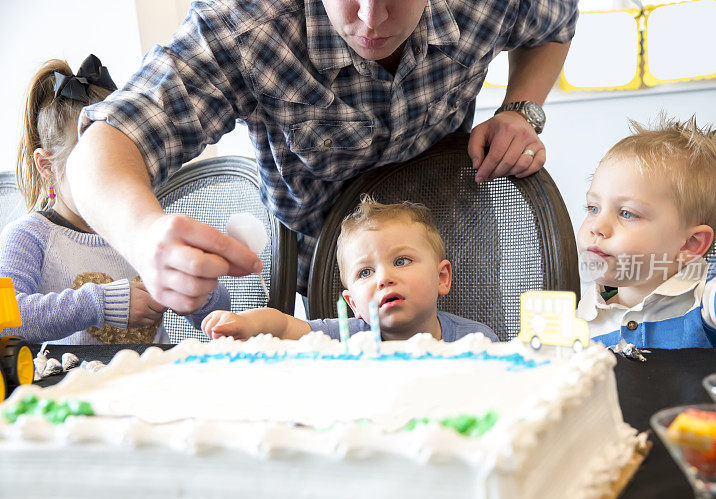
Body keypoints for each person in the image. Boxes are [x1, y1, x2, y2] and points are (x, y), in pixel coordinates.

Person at [65, 0, 579, 315]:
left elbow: (556, 20)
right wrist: (141, 234)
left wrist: (521, 108)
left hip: (458, 241)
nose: (371, 18)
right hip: (331, 275)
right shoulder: (248, 24)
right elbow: (103, 146)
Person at [0, 55, 229, 344]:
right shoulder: (30, 236)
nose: (110, 176)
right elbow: (7, 320)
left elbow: (219, 315)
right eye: (93, 165)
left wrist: (197, 288)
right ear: (47, 166)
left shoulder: (144, 227)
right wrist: (100, 303)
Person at [575, 116, 716, 349]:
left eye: (627, 213)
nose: (597, 227)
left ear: (689, 244)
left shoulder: (709, 297)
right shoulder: (587, 311)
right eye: (593, 208)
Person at [202, 196, 498, 341]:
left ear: (441, 278)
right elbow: (282, 325)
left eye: (401, 261)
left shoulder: (476, 342)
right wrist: (244, 324)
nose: (384, 278)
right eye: (365, 273)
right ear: (353, 303)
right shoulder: (346, 336)